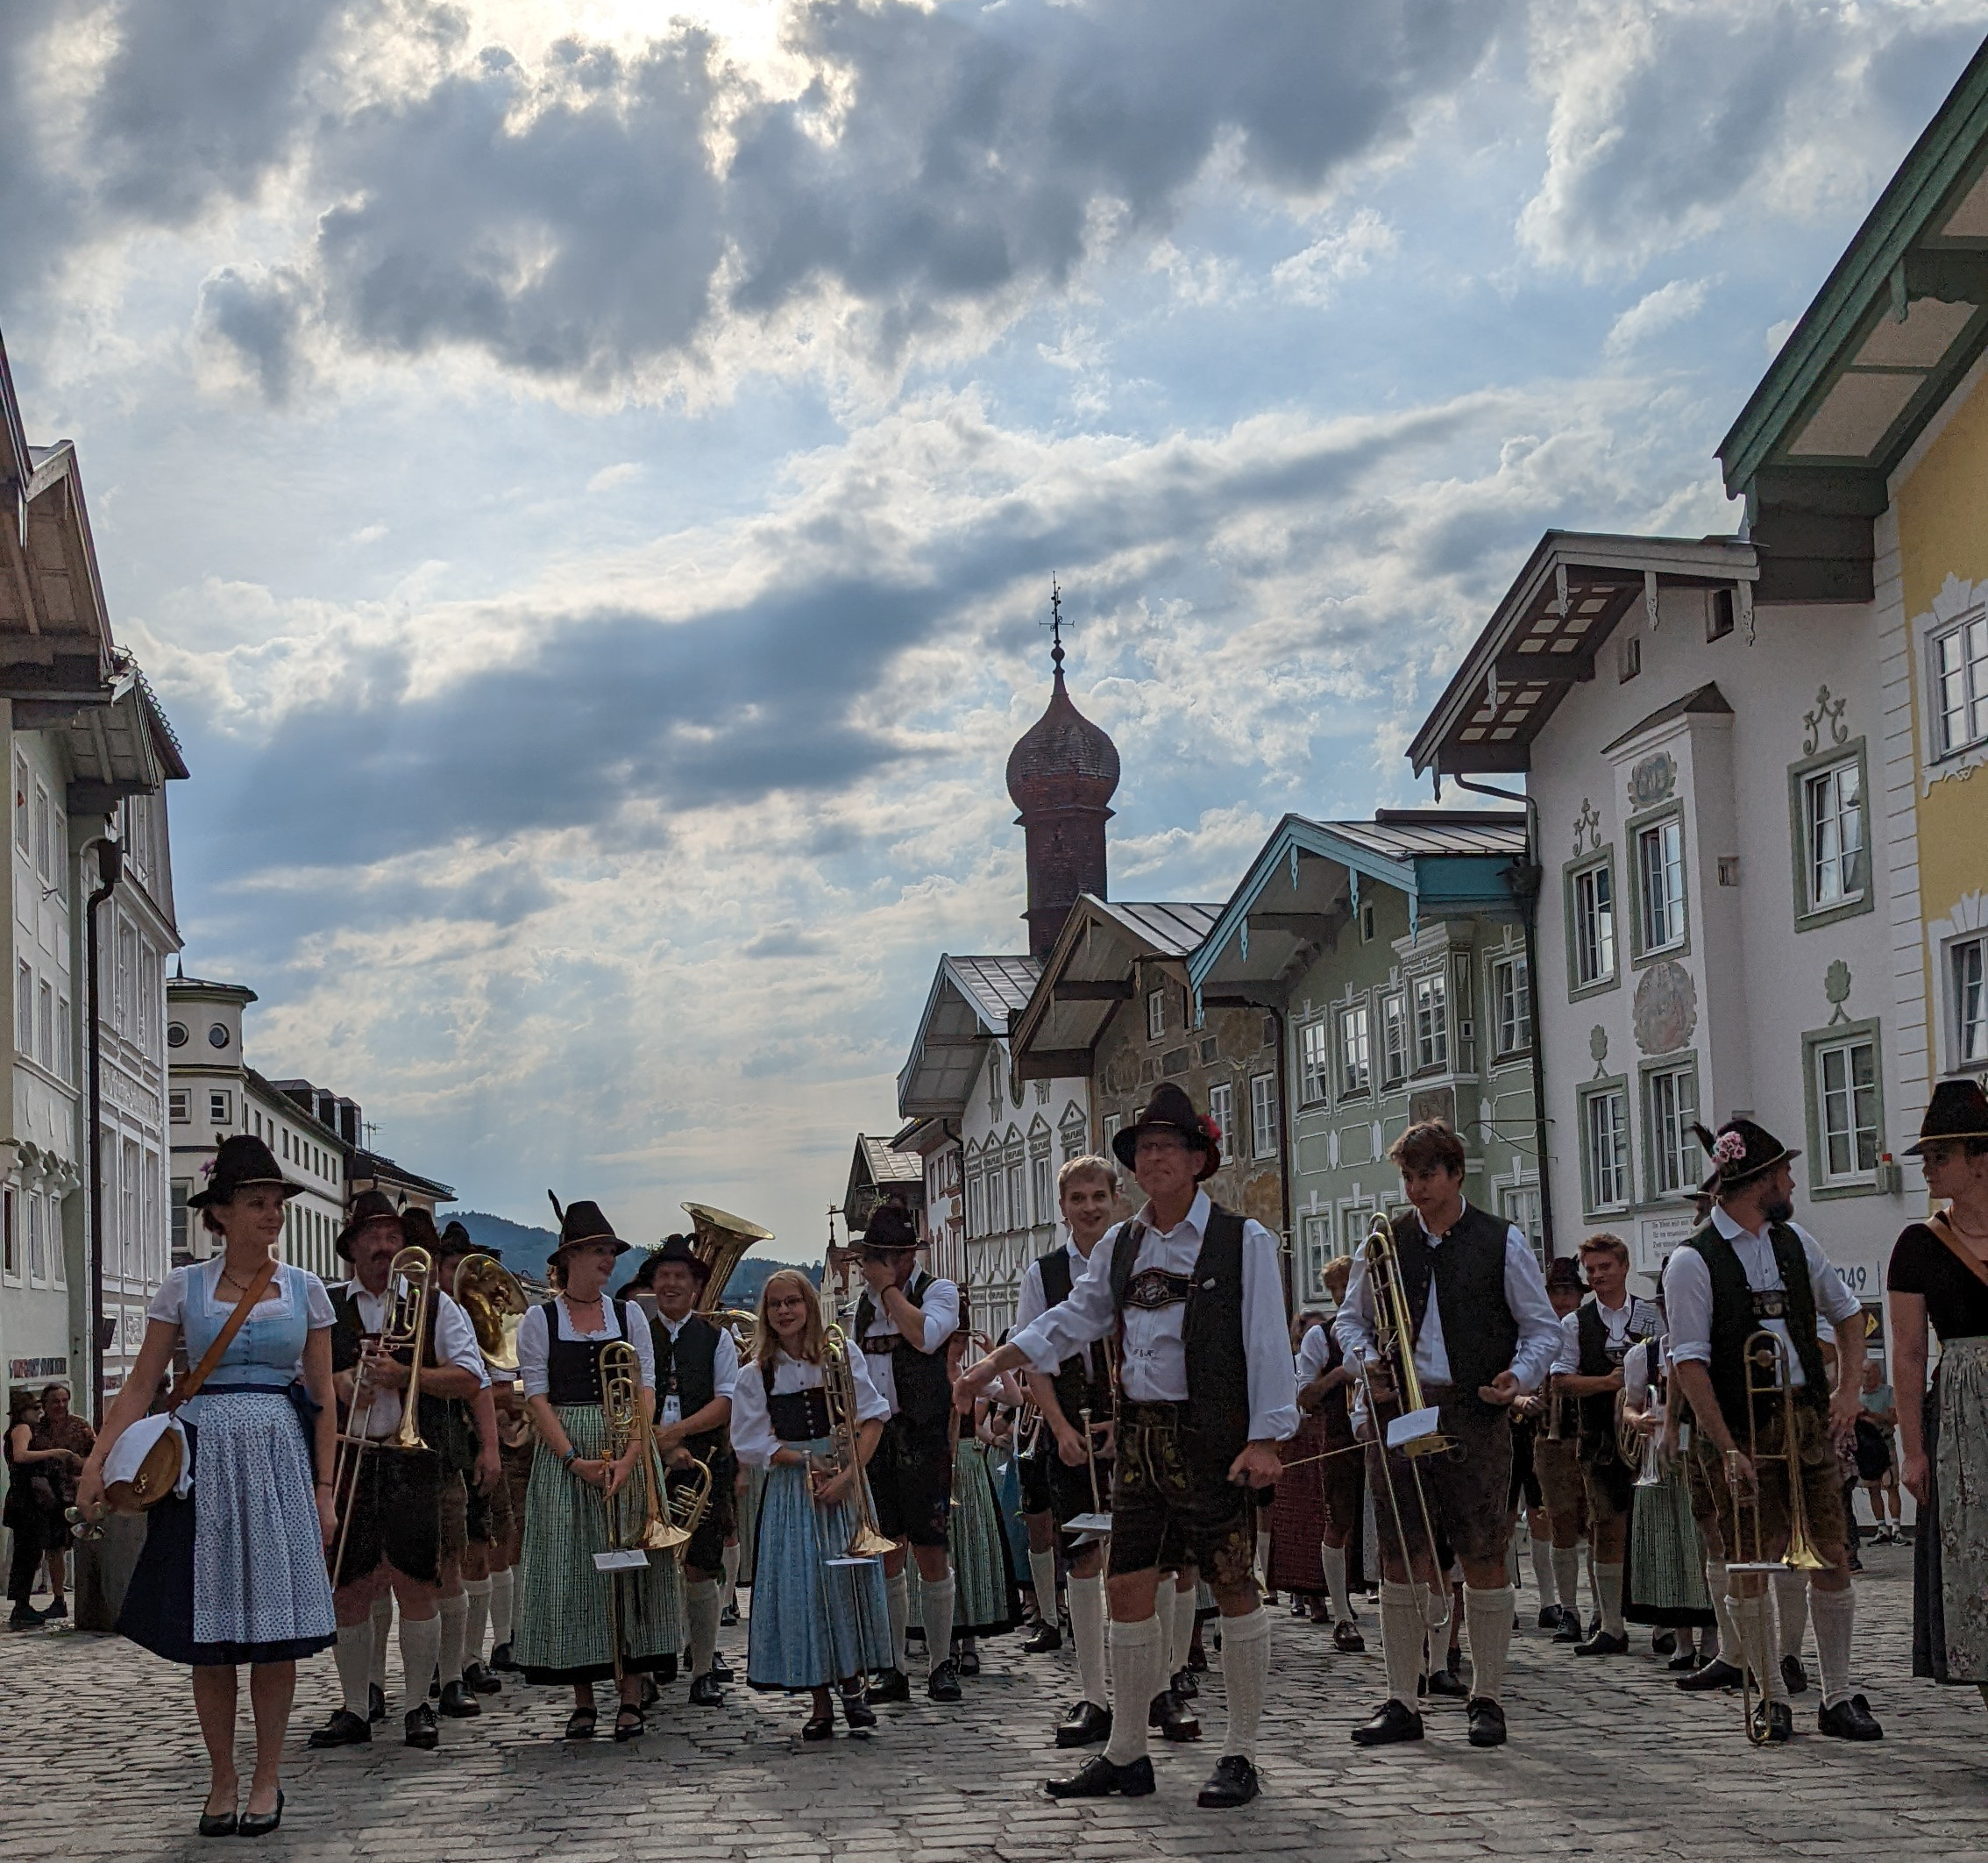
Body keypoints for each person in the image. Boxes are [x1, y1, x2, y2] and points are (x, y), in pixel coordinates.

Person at [956, 1083, 1298, 1810]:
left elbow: (1268, 1341)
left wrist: (1268, 1434)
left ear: (1198, 1159)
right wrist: (994, 1364)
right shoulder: (1124, 1241)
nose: (1153, 1159)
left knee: (1233, 1582)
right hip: (1141, 1435)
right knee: (1126, 1586)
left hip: (1212, 1434)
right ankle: (1128, 1751)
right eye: (1143, 1148)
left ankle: (1241, 1751)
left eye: (1167, 1146)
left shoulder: (1244, 1240)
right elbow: (1075, 1316)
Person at [73, 1134, 337, 1838]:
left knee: (275, 1631)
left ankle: (267, 1774)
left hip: (278, 1457)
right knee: (210, 1630)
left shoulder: (306, 1290)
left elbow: (322, 1397)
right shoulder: (182, 1288)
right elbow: (139, 1385)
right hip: (204, 1461)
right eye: (257, 1203)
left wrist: (325, 1487)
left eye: (276, 1203)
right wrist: (98, 1464)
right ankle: (222, 1776)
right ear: (219, 1213)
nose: (272, 1215)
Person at [1335, 1120, 1560, 1752]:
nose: (1415, 1189)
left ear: (1456, 1173)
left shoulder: (1501, 1240)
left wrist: (1517, 1375)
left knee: (1485, 1550)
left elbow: (1543, 1328)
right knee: (1400, 1555)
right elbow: (1349, 1321)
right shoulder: (1383, 1241)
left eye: (1426, 1175)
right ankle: (1401, 1697)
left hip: (1472, 1410)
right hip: (1400, 1409)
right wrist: (1364, 1361)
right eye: (1407, 1176)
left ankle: (1486, 1694)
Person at [1663, 1118, 1879, 1743]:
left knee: (1832, 1554)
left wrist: (1844, 1393)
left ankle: (1838, 1694)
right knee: (1750, 1560)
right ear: (1755, 1181)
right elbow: (1690, 1361)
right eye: (1782, 1172)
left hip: (1804, 1416)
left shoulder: (1795, 1241)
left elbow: (1849, 1316)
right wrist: (1724, 1443)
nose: (1790, 1181)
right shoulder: (1691, 1260)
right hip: (1741, 1425)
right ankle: (1769, 1693)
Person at [307, 1192, 490, 1753]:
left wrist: (405, 1375)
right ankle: (357, 1706)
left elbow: (469, 1377)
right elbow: (309, 1384)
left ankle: (416, 1706)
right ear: (353, 1246)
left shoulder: (436, 1305)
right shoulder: (327, 1305)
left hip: (414, 1458)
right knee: (351, 1585)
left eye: (393, 1238)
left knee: (417, 1581)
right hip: (351, 1457)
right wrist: (341, 1385)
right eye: (374, 1238)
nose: (385, 1248)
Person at [513, 1197, 683, 1739]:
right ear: (570, 1258)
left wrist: (633, 1454)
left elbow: (647, 1387)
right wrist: (571, 1458)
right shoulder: (539, 1320)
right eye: (597, 1251)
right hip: (568, 1454)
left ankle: (631, 1694)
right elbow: (536, 1397)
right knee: (572, 1569)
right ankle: (583, 1695)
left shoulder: (630, 1314)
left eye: (610, 1251)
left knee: (631, 1567)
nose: (608, 1260)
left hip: (625, 1445)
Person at [730, 1268, 891, 1737]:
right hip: (792, 1487)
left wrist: (847, 1477)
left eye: (793, 1302)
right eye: (775, 1304)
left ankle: (854, 1688)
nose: (784, 1311)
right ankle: (819, 1700)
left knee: (848, 1584)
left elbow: (874, 1419)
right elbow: (751, 1443)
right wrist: (804, 1460)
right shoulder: (757, 1373)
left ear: (808, 1306)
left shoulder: (840, 1356)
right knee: (804, 1588)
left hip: (843, 1481)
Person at [1012, 1154, 1121, 1746]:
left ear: (1115, 1197)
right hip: (1072, 1432)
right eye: (1077, 1198)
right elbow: (1033, 1360)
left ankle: (1157, 1687)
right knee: (1081, 1555)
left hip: (1132, 1428)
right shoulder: (1044, 1273)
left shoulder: (1137, 1256)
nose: (1089, 1207)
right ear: (1063, 1208)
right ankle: (1094, 1694)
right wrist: (1059, 1428)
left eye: (1098, 1196)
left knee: (1147, 1557)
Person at [1888, 1078, 1988, 1705]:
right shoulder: (1919, 1245)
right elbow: (1906, 1352)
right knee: (1973, 1559)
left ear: (1981, 1158)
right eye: (1925, 1156)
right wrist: (1913, 1448)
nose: (1927, 1167)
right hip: (1961, 1413)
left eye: (1940, 1155)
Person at [850, 1199, 963, 1703]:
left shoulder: (936, 1291)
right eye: (875, 1255)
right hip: (880, 1438)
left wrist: (890, 1291)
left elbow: (925, 1336)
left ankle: (941, 1661)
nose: (879, 1264)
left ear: (906, 1257)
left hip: (924, 1432)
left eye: (888, 1255)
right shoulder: (861, 1309)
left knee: (931, 1550)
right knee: (887, 1552)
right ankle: (893, 1666)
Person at [1547, 1233, 1661, 1657]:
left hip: (1647, 1437)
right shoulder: (1575, 1323)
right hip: (1598, 1439)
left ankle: (1661, 1619)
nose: (1597, 1277)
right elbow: (1561, 1380)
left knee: (1650, 1529)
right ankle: (1611, 1623)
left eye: (1604, 1268)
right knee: (1606, 1528)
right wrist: (1610, 1383)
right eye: (1591, 1270)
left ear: (1624, 1267)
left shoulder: (1650, 1316)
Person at [643, 1234, 741, 1706]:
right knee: (650, 1564)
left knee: (702, 1564)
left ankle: (702, 1665)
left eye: (680, 1277)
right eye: (663, 1276)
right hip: (648, 1465)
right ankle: (652, 1658)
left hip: (703, 1462)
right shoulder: (637, 1333)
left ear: (696, 1287)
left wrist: (677, 1434)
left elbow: (725, 1403)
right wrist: (659, 1447)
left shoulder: (718, 1338)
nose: (671, 1284)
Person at [430, 1220, 513, 1699]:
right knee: (447, 1557)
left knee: (481, 1546)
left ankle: (470, 1658)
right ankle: (446, 1663)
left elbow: (497, 1378)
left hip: (472, 1440)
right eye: (447, 1265)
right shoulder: (425, 1312)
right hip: (440, 1438)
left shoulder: (482, 1316)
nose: (455, 1274)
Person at [1618, 1274, 1716, 1667]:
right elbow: (1630, 1403)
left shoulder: (1707, 1345)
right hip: (1659, 1460)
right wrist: (1638, 1418)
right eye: (1664, 1305)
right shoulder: (1645, 1353)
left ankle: (1713, 1640)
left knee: (1705, 1547)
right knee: (1668, 1551)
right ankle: (1682, 1641)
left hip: (1700, 1453)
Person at [1294, 1264, 1367, 1652]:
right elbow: (1305, 1396)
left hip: (1385, 1437)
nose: (1341, 1295)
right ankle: (1341, 1614)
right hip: (1339, 1438)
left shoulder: (1383, 1331)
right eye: (1335, 1288)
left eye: (1348, 1286)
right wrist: (1340, 1374)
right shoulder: (1319, 1337)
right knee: (1338, 1521)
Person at [1530, 1257, 1590, 1639]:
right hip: (1549, 1433)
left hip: (1594, 1431)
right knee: (1559, 1521)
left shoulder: (1591, 1327)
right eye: (1556, 1292)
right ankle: (1567, 1608)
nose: (1562, 1299)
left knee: (1602, 1525)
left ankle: (1604, 1611)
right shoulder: (1534, 1331)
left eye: (1569, 1292)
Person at [1270, 1310, 1331, 1625]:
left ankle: (1325, 1595)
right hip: (1296, 1446)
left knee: (1325, 1519)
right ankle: (1303, 1594)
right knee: (1300, 1525)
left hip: (1323, 1441)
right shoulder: (1291, 1363)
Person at [27, 1383, 93, 1620]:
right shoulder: (36, 1429)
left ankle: (92, 1596)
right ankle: (58, 1599)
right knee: (54, 1548)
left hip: (77, 1492)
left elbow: (97, 1457)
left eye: (64, 1400)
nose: (60, 1405)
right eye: (55, 1401)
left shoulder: (80, 1426)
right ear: (45, 1404)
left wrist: (82, 1473)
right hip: (50, 1496)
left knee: (85, 1543)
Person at [6, 1389, 64, 1629]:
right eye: (35, 1409)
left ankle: (23, 1604)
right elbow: (20, 1456)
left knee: (29, 1554)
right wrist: (53, 1453)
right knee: (28, 1554)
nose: (39, 1413)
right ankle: (21, 1606)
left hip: (25, 1499)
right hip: (26, 1500)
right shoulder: (22, 1429)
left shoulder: (24, 1429)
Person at [1854, 1360, 1902, 1546]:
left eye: (1869, 1372)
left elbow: (1893, 1418)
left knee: (1892, 1485)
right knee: (1872, 1487)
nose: (1866, 1376)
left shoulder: (1888, 1392)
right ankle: (1882, 1528)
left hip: (1885, 1441)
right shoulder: (1857, 1395)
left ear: (1878, 1373)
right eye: (1863, 1372)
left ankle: (1897, 1529)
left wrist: (1872, 1415)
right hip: (1866, 1445)